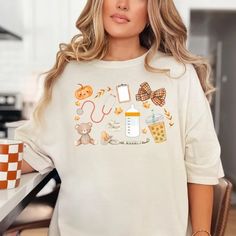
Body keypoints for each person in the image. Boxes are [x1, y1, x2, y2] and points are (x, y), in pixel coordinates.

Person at [15, 0, 225, 235]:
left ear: (152, 9)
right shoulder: (70, 75)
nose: (122, 4)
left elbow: (201, 163)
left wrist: (201, 233)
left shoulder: (177, 74)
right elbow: (34, 150)